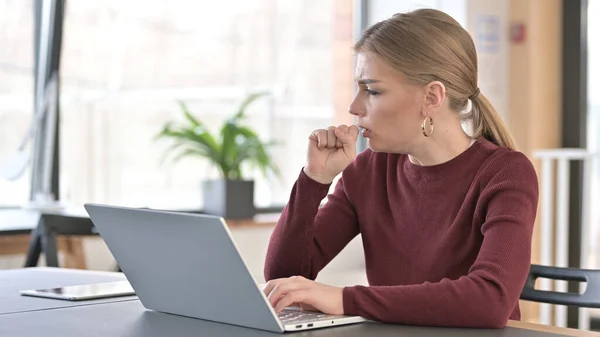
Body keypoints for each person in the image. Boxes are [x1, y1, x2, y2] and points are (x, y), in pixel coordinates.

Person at [262, 8, 539, 329]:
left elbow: (490, 300)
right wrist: (315, 180)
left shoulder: (505, 173)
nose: (354, 107)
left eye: (373, 90)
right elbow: (283, 280)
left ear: (432, 97)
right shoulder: (366, 172)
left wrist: (344, 299)